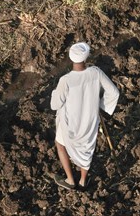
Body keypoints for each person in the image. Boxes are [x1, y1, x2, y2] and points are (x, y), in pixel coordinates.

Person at [51, 42, 119, 190]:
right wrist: (102, 108)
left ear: (71, 58)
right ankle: (82, 181)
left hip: (70, 122)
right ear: (86, 57)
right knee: (87, 149)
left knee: (60, 144)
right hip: (89, 120)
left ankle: (70, 180)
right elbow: (114, 92)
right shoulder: (96, 73)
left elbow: (55, 104)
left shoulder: (66, 80)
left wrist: (54, 94)